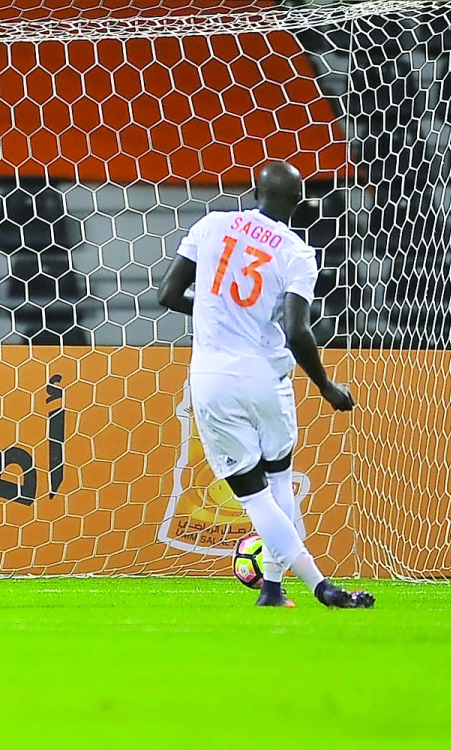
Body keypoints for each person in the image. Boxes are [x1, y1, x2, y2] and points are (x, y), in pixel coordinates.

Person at [157, 161, 374, 609]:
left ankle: (317, 587)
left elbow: (167, 295)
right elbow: (298, 333)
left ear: (255, 192)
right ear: (296, 203)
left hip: (214, 380)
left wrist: (213, 311)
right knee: (280, 482)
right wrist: (326, 385)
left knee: (255, 499)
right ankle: (274, 589)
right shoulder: (297, 252)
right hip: (269, 379)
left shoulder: (212, 225)